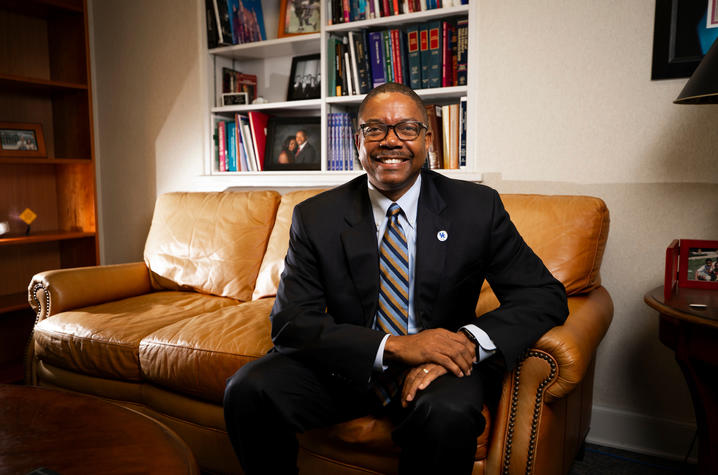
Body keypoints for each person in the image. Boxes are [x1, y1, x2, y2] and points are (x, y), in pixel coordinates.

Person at [224, 83, 568, 475]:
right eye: (375, 129)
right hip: (350, 361)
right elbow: (290, 323)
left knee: (448, 413)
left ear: (427, 138)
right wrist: (396, 346)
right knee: (248, 389)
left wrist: (467, 344)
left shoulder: (476, 208)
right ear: (358, 141)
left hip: (437, 368)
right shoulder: (316, 216)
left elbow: (543, 295)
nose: (391, 141)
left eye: (406, 128)